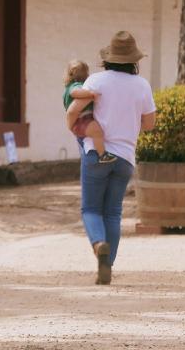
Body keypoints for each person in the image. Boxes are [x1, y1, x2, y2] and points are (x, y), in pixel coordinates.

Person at [66, 31, 156, 285]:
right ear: (133, 60)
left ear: (108, 58)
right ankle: (108, 264)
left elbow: (74, 109)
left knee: (91, 208)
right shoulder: (142, 85)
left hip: (97, 151)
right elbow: (149, 124)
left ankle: (98, 245)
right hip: (126, 156)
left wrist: (74, 126)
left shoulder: (96, 80)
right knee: (113, 212)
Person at [63, 60, 115, 163]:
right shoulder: (75, 85)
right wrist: (90, 94)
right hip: (81, 120)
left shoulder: (74, 85)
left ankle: (101, 153)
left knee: (95, 133)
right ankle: (102, 154)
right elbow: (75, 92)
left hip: (81, 120)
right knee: (97, 132)